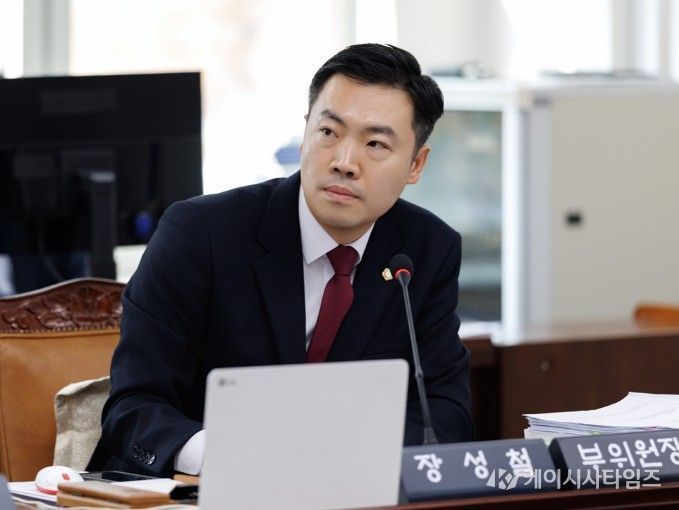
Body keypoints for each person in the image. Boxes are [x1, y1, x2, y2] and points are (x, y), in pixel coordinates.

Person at [89, 43, 472, 476]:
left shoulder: (426, 251)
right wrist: (224, 457)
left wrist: (343, 463)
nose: (345, 162)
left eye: (376, 144)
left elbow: (445, 415)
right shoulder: (201, 234)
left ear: (416, 164)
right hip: (194, 490)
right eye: (329, 132)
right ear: (305, 131)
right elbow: (134, 407)